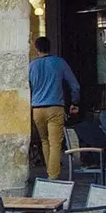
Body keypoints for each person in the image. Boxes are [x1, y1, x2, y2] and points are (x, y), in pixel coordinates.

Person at [29, 36, 79, 180]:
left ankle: (49, 172)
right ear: (50, 47)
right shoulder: (59, 62)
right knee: (55, 143)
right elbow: (74, 85)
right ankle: (53, 176)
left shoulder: (31, 66)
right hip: (55, 107)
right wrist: (75, 101)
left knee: (44, 141)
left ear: (36, 48)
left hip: (37, 108)